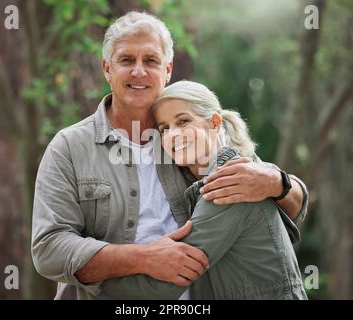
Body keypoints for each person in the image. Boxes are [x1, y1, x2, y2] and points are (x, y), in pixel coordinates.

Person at [31, 11, 308, 300]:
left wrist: (278, 182)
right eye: (127, 60)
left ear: (167, 70)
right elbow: (48, 248)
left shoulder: (194, 138)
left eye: (150, 60)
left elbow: (285, 208)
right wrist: (143, 258)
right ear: (107, 69)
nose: (139, 71)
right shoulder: (69, 148)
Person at [99, 80, 307, 299]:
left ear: (215, 123)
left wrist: (91, 279)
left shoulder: (229, 180)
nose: (173, 135)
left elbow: (172, 277)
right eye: (165, 128)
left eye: (183, 121)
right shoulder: (210, 173)